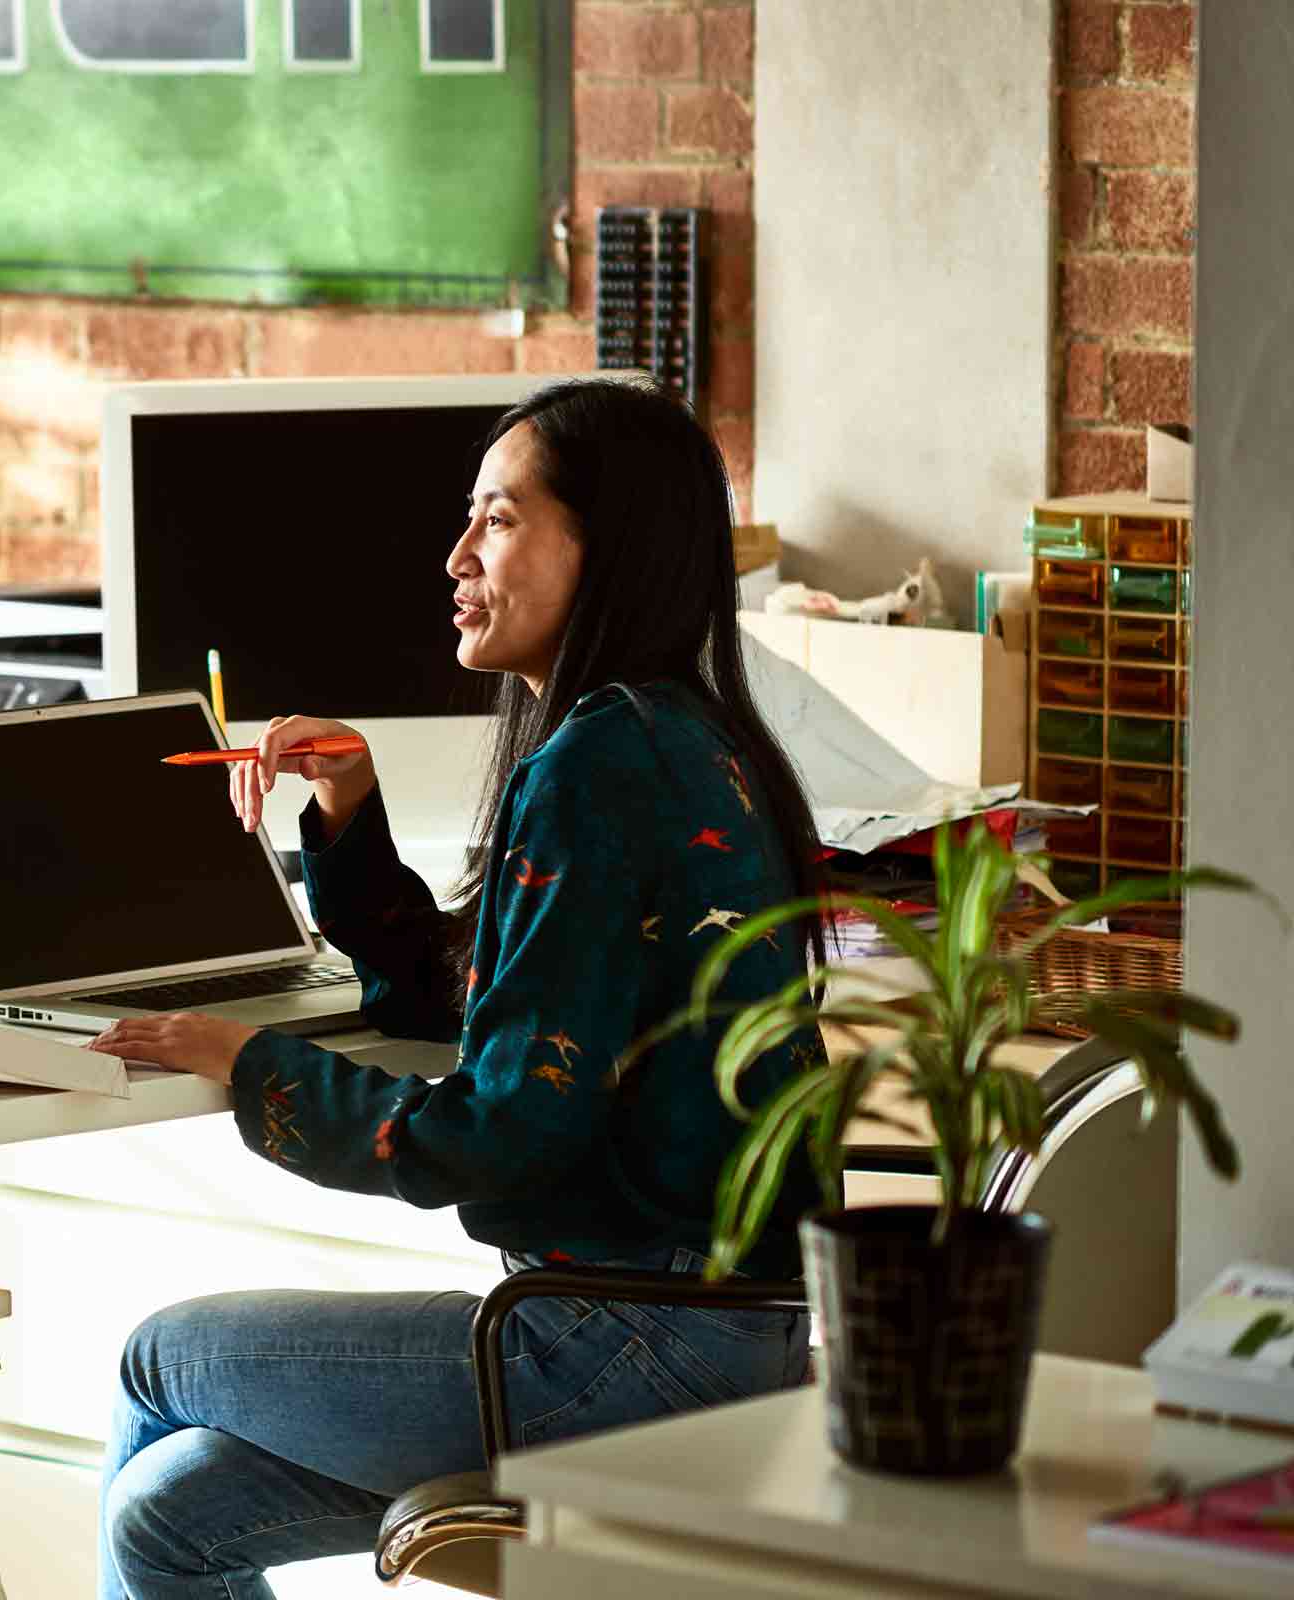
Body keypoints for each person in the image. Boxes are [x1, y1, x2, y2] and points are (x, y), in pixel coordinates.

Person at [82, 378, 827, 1599]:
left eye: (495, 519)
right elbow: (492, 1007)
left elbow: (498, 1135)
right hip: (723, 1346)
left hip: (615, 1354)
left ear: (608, 544)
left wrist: (247, 1059)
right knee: (167, 1515)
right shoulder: (684, 737)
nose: (454, 555)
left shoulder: (596, 761)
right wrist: (348, 810)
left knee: (157, 1356)